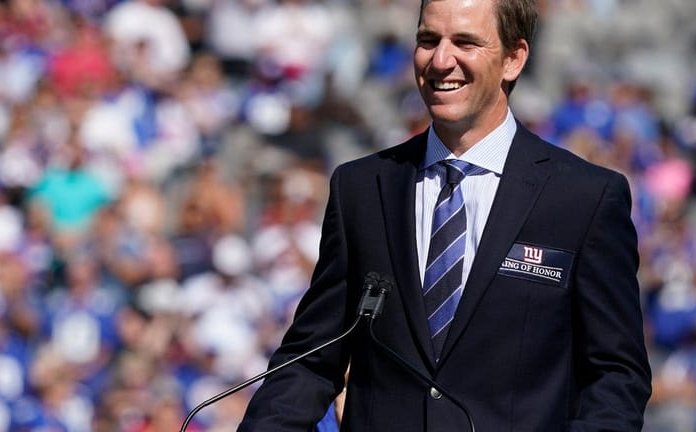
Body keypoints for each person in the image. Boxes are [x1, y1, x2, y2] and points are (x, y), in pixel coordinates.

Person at [237, 0, 652, 430]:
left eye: (465, 42)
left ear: (514, 58)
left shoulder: (584, 198)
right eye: (428, 40)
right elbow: (310, 360)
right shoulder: (360, 188)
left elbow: (616, 377)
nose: (440, 60)